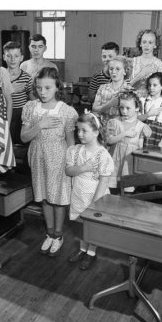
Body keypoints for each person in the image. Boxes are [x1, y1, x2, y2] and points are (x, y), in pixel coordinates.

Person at [21, 67, 78, 257]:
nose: (43, 92)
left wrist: (71, 163)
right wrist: (40, 125)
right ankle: (50, 233)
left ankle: (58, 235)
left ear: (56, 87)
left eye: (47, 87)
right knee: (45, 196)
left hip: (59, 157)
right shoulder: (30, 108)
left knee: (58, 198)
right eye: (39, 88)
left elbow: (70, 141)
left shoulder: (67, 111)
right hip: (37, 155)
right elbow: (24, 137)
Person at [66, 112, 114, 270]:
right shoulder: (75, 150)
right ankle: (82, 249)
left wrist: (95, 204)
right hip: (79, 193)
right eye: (78, 130)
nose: (79, 134)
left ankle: (91, 253)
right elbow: (69, 171)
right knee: (81, 224)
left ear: (96, 132)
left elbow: (103, 182)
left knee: (92, 226)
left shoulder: (103, 156)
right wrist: (83, 168)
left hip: (95, 197)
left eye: (84, 130)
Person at [106, 91, 151, 192]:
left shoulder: (141, 126)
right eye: (121, 107)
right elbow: (109, 141)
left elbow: (140, 146)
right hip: (115, 162)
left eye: (128, 108)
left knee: (127, 192)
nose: (124, 111)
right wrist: (124, 134)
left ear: (137, 108)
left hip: (129, 164)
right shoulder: (115, 122)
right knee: (113, 191)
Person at [3, 41, 33, 145]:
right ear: (4, 57)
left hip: (22, 115)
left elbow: (32, 99)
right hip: (4, 114)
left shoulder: (27, 77)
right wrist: (11, 89)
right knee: (6, 144)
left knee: (21, 144)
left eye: (16, 56)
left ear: (21, 58)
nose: (12, 59)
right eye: (9, 56)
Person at [92, 55, 130, 139]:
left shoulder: (129, 90)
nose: (114, 72)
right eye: (111, 69)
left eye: (117, 69)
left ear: (125, 71)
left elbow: (132, 114)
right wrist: (110, 104)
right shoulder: (102, 88)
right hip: (103, 128)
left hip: (121, 129)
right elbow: (94, 108)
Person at [129, 29, 162, 98]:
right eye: (144, 42)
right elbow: (125, 87)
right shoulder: (132, 62)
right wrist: (141, 74)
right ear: (140, 44)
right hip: (132, 102)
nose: (146, 45)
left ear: (155, 45)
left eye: (150, 42)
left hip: (152, 103)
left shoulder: (160, 65)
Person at [139, 72, 162, 148]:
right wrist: (148, 114)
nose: (151, 87)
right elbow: (138, 118)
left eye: (155, 85)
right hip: (142, 135)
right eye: (149, 85)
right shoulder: (143, 100)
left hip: (157, 135)